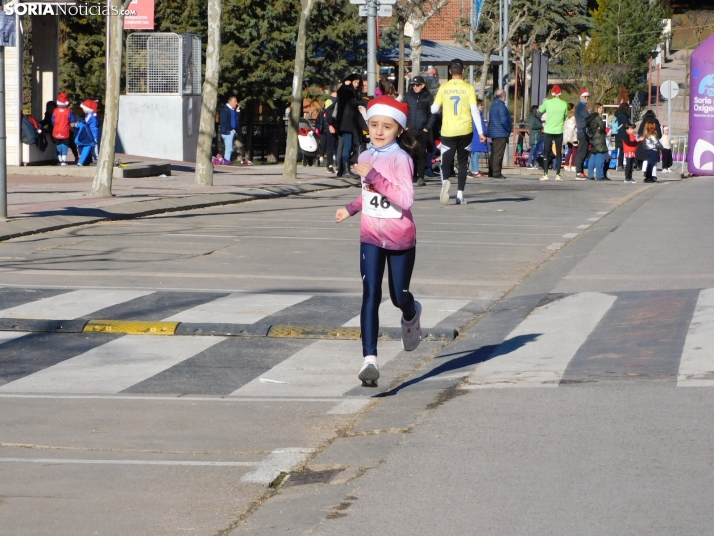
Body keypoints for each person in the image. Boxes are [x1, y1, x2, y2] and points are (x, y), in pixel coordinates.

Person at [334, 96, 422, 387]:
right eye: (374, 125)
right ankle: (369, 360)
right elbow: (369, 194)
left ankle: (411, 313)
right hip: (370, 235)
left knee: (398, 297)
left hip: (400, 239)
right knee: (370, 292)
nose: (379, 131)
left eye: (386, 126)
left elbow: (405, 199)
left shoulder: (401, 159)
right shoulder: (364, 156)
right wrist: (350, 208)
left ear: (399, 129)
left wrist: (374, 176)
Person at [431, 58, 486, 204]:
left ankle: (444, 184)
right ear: (463, 71)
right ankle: (460, 195)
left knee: (446, 161)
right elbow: (474, 110)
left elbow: (434, 109)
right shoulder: (468, 88)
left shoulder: (443, 88)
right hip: (465, 129)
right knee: (462, 162)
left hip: (448, 130)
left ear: (450, 71)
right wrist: (480, 132)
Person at [403, 75, 436, 187]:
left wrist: (428, 127)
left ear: (423, 85)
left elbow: (433, 113)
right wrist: (405, 125)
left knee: (422, 154)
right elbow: (403, 111)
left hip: (423, 130)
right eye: (413, 85)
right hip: (410, 130)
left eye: (417, 85)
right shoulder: (408, 96)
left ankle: (421, 176)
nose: (415, 87)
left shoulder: (428, 97)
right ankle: (411, 175)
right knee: (410, 153)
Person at [332, 74, 367, 178]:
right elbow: (343, 94)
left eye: (358, 83)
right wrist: (344, 85)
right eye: (355, 82)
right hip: (346, 123)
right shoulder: (347, 91)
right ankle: (345, 170)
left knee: (347, 146)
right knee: (347, 145)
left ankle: (342, 170)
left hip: (349, 123)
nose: (356, 85)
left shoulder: (353, 92)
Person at [538, 85, 568, 181]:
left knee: (546, 152)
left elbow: (538, 113)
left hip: (548, 130)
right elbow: (565, 116)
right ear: (560, 93)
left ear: (552, 93)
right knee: (559, 152)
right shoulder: (564, 104)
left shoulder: (547, 103)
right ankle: (558, 174)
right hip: (559, 130)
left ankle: (546, 174)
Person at [487, 88, 511, 181]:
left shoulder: (493, 105)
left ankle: (491, 171)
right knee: (498, 154)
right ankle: (496, 172)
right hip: (500, 132)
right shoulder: (501, 106)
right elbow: (504, 120)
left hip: (494, 132)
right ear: (503, 96)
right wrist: (508, 129)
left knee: (494, 153)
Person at [317, 82, 339, 173]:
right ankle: (329, 165)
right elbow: (327, 115)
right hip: (329, 127)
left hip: (337, 125)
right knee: (330, 146)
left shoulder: (338, 100)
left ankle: (338, 165)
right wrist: (330, 125)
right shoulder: (330, 100)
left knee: (337, 146)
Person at [585, 102, 608, 180]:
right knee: (599, 156)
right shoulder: (598, 117)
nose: (601, 110)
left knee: (593, 156)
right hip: (599, 138)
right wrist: (602, 127)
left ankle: (590, 175)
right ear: (596, 108)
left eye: (602, 108)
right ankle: (600, 175)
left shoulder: (591, 117)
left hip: (593, 138)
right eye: (600, 108)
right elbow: (602, 127)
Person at [637, 109, 661, 179]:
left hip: (644, 143)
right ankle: (654, 175)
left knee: (645, 158)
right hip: (654, 145)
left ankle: (644, 171)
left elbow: (639, 132)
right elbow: (660, 134)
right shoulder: (656, 122)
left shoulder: (644, 122)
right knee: (654, 161)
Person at [51, 92, 74, 166]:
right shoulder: (68, 111)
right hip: (65, 131)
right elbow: (72, 120)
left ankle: (59, 159)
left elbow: (52, 121)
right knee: (65, 145)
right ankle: (63, 160)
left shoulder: (55, 111)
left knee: (58, 144)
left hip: (56, 130)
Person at [76, 100, 99, 166]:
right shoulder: (89, 115)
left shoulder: (91, 116)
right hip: (90, 133)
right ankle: (91, 159)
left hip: (93, 134)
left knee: (94, 146)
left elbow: (92, 126)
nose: (83, 110)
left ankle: (96, 158)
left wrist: (94, 135)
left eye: (83, 109)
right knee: (92, 146)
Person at [469, 99, 488, 178]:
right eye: (481, 105)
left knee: (475, 153)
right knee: (476, 153)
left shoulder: (477, 115)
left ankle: (475, 169)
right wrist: (484, 133)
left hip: (476, 136)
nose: (482, 106)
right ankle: (475, 171)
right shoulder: (477, 115)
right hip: (477, 136)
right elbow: (480, 127)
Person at [219, 96, 239, 165]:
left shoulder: (233, 110)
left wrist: (238, 111)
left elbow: (237, 119)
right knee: (229, 148)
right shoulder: (225, 109)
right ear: (230, 102)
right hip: (227, 132)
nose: (236, 103)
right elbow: (224, 121)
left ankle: (226, 161)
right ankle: (226, 162)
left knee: (230, 147)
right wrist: (231, 129)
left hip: (231, 132)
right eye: (235, 101)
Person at [575, 89, 590, 178]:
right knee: (582, 152)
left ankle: (581, 171)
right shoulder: (580, 106)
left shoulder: (583, 106)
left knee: (584, 152)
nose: (587, 98)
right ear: (581, 97)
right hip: (582, 131)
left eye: (588, 97)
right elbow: (587, 117)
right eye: (585, 97)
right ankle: (578, 172)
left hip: (584, 131)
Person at [613, 102, 630, 169]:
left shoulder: (618, 115)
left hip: (618, 134)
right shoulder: (624, 116)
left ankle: (620, 165)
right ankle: (621, 165)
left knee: (621, 150)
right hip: (623, 135)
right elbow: (626, 125)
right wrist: (632, 125)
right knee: (625, 150)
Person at [563, 103, 577, 171]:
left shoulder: (567, 117)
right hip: (574, 136)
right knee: (575, 151)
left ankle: (566, 165)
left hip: (567, 136)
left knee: (569, 150)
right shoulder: (574, 118)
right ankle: (573, 165)